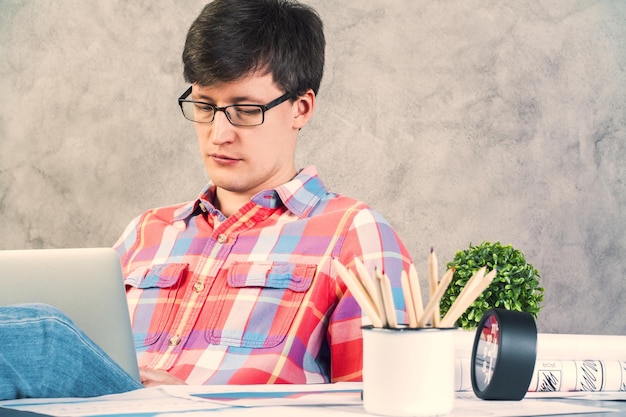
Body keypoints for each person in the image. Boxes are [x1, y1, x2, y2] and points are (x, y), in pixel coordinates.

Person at [0, 0, 413, 399]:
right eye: (204, 106)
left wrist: (192, 401)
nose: (218, 134)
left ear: (301, 109)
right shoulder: (148, 232)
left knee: (44, 339)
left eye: (245, 110)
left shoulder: (355, 236)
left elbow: (383, 406)